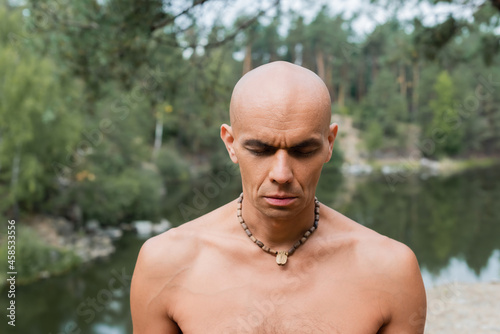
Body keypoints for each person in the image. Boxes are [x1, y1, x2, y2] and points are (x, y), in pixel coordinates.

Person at [130, 61, 427, 333]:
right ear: (230, 144)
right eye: (260, 150)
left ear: (329, 144)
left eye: (303, 151)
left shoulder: (391, 270)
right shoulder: (165, 263)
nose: (281, 174)